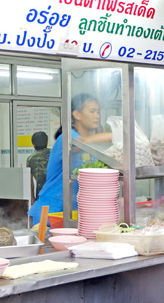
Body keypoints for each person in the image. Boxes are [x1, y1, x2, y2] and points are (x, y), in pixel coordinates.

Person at [27, 93, 111, 226]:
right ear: (77, 115)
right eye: (92, 111)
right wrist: (118, 134)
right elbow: (80, 143)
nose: (97, 116)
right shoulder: (67, 137)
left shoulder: (91, 146)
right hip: (51, 213)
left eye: (98, 111)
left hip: (73, 212)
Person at [26, 131, 51, 202]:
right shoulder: (53, 153)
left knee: (42, 212)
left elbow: (30, 182)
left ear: (33, 144)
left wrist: (32, 198)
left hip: (40, 191)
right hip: (55, 189)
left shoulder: (30, 159)